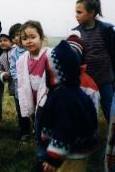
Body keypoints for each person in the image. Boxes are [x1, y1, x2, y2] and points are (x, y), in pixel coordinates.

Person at [37, 40, 98, 172]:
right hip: (74, 150)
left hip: (70, 154)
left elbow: (64, 128)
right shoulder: (73, 92)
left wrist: (54, 157)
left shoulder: (64, 97)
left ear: (57, 71)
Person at [73, 0, 115, 123]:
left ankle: (112, 139)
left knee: (109, 110)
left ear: (91, 13)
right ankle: (89, 139)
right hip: (87, 81)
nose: (76, 15)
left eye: (80, 12)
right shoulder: (77, 33)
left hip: (105, 79)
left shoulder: (106, 30)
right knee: (87, 110)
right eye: (76, 12)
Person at [16, 21, 51, 136]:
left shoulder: (49, 55)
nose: (29, 41)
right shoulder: (22, 59)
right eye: (25, 38)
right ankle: (38, 134)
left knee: (47, 117)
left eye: (33, 37)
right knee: (35, 115)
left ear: (41, 37)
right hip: (32, 94)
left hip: (48, 95)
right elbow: (22, 82)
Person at [66, 34, 100, 114]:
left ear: (81, 59)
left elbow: (93, 113)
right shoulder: (56, 79)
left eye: (74, 55)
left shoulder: (89, 85)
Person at [9, 23, 30, 140]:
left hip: (32, 85)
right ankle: (24, 132)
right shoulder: (14, 52)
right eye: (13, 37)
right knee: (21, 110)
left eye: (18, 35)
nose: (16, 38)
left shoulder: (30, 49)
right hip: (20, 87)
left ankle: (38, 130)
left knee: (35, 109)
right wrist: (19, 79)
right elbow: (12, 68)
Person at [0, 34, 13, 126]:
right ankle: (24, 129)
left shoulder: (16, 51)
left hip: (24, 83)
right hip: (13, 84)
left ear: (11, 42)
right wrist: (3, 74)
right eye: (0, 41)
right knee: (20, 106)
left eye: (5, 40)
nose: (2, 42)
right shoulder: (1, 56)